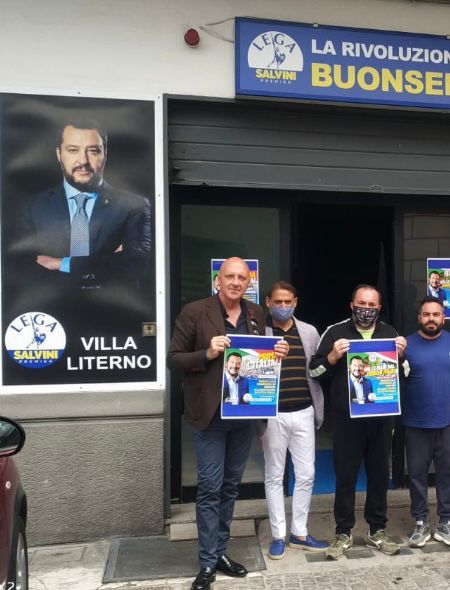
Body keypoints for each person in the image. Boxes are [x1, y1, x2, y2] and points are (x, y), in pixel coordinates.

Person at [167, 257, 288, 590]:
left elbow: (258, 357)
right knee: (210, 487)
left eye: (242, 278)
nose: (236, 282)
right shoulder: (195, 312)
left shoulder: (255, 313)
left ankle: (220, 551)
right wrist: (207, 353)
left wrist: (274, 354)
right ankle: (207, 562)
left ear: (249, 282)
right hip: (210, 415)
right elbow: (173, 359)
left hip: (244, 413)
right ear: (217, 280)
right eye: (230, 276)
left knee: (231, 486)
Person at [309, 284, 407, 559]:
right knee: (346, 476)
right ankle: (343, 532)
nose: (366, 309)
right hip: (347, 421)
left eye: (372, 305)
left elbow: (405, 374)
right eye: (361, 304)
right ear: (352, 305)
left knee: (379, 475)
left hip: (381, 418)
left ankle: (377, 530)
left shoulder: (390, 333)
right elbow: (314, 371)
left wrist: (401, 356)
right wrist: (332, 356)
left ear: (379, 308)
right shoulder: (335, 332)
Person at [11, 119, 152, 287]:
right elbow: (21, 268)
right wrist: (107, 262)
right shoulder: (32, 208)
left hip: (111, 302)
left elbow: (135, 264)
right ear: (59, 155)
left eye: (93, 151)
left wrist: (60, 263)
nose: (83, 161)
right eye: (73, 150)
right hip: (55, 301)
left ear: (105, 154)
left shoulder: (134, 206)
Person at [258, 281, 328, 559]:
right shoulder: (258, 331)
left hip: (304, 412)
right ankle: (278, 535)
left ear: (296, 302)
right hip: (273, 414)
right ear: (268, 302)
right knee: (274, 475)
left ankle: (299, 532)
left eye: (288, 302)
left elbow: (318, 368)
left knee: (307, 474)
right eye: (278, 301)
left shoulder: (309, 331)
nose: (283, 306)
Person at [403, 296, 450, 549]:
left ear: (443, 318)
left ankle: (445, 522)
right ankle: (420, 522)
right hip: (416, 422)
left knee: (448, 473)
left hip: (448, 420)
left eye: (436, 314)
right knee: (417, 474)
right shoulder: (405, 344)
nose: (431, 319)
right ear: (419, 317)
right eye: (426, 314)